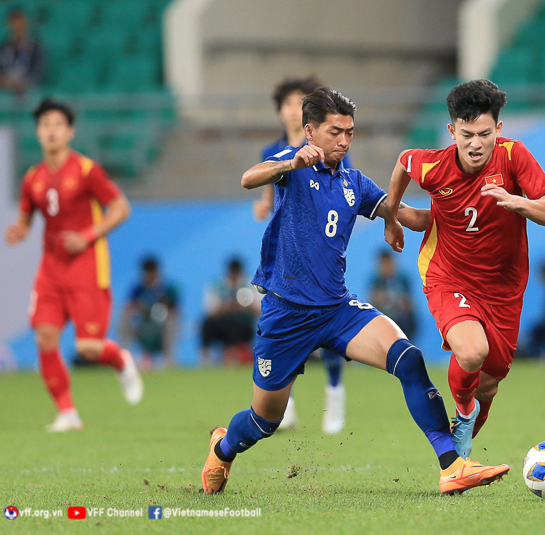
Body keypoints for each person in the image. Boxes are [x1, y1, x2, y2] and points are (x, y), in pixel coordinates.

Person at [201, 87, 510, 496]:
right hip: (286, 314)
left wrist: (465, 211)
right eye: (335, 132)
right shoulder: (293, 164)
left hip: (337, 309)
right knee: (265, 420)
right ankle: (222, 449)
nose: (344, 141)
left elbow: (407, 214)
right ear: (310, 131)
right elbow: (248, 179)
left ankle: (452, 465)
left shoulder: (354, 181)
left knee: (409, 359)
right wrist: (292, 162)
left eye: (349, 132)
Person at [383, 79, 545, 459]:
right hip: (448, 275)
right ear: (452, 131)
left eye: (484, 134)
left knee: (489, 385)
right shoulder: (434, 165)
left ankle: (460, 456)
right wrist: (392, 218)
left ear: (499, 128)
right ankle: (463, 417)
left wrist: (517, 202)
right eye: (466, 135)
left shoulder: (514, 155)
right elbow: (402, 162)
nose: (476, 144)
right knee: (472, 351)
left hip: (504, 288)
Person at [4, 98, 143, 432]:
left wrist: (88, 235)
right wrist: (19, 230)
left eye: (58, 125)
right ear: (37, 132)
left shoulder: (86, 171)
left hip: (87, 265)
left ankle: (120, 359)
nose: (51, 131)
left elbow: (121, 208)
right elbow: (26, 218)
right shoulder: (33, 178)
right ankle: (67, 412)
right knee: (44, 338)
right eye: (44, 125)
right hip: (51, 269)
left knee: (88, 348)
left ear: (70, 132)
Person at [254, 75, 352, 434]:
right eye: (288, 104)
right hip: (285, 251)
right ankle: (287, 406)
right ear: (280, 111)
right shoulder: (273, 151)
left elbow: (343, 189)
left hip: (322, 251)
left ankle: (334, 395)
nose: (293, 110)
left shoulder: (329, 146)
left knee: (330, 328)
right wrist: (263, 205)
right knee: (282, 331)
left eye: (300, 103)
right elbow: (268, 190)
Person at [120, 257, 180, 370]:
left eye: (152, 273)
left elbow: (175, 309)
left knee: (172, 320)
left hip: (162, 326)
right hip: (143, 324)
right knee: (124, 315)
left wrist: (160, 307)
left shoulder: (167, 288)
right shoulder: (138, 289)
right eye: (147, 273)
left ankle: (170, 361)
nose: (149, 276)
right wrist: (142, 308)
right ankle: (124, 360)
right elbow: (130, 306)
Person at [201, 257, 260, 366]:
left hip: (243, 324)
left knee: (234, 325)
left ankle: (232, 357)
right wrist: (227, 307)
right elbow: (210, 311)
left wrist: (243, 307)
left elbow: (259, 310)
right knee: (207, 324)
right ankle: (206, 357)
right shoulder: (218, 286)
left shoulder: (250, 285)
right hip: (221, 324)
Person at [0, 8, 45, 94]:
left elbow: (37, 73)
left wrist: (22, 82)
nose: (17, 28)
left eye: (20, 24)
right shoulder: (1, 48)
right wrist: (4, 80)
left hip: (27, 91)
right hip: (3, 90)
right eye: (14, 24)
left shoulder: (36, 48)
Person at [369, 249, 417, 340]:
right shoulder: (376, 282)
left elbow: (409, 303)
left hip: (401, 318)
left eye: (389, 264)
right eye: (384, 264)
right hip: (384, 317)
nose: (387, 267)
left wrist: (398, 301)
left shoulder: (402, 280)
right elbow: (372, 302)